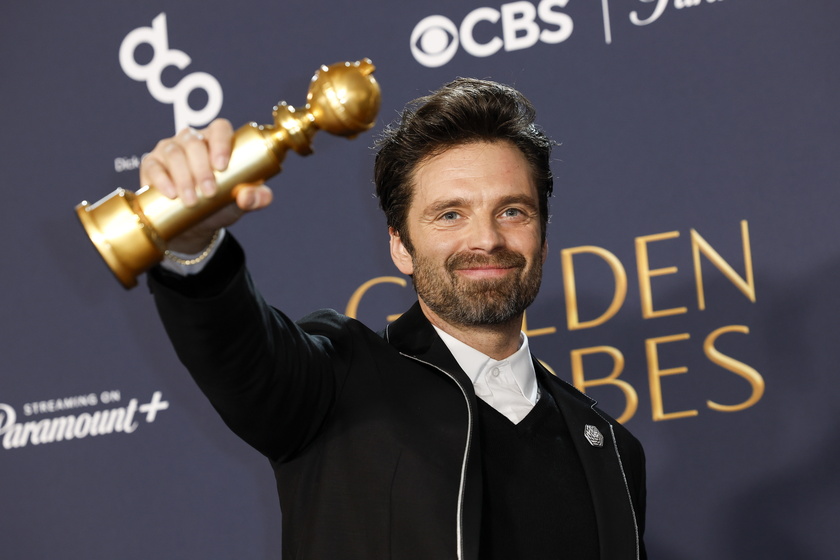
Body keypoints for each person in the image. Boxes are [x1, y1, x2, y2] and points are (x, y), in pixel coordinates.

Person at [144, 78, 646, 560]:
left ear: (543, 234)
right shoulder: (336, 383)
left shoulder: (611, 450)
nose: (487, 240)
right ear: (401, 246)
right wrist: (192, 244)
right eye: (450, 214)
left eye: (513, 211)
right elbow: (240, 351)